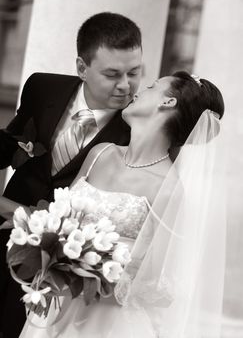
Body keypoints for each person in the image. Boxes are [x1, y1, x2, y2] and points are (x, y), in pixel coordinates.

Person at [1, 71, 226, 337]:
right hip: (56, 308)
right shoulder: (101, 153)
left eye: (153, 86)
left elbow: (156, 283)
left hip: (105, 323)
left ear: (167, 102)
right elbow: (59, 221)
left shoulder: (168, 188)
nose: (139, 90)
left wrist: (85, 273)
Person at [0, 12, 143, 338]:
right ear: (82, 68)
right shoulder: (42, 87)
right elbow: (11, 145)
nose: (126, 85)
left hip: (56, 268)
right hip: (3, 235)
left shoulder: (135, 129)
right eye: (112, 74)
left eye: (134, 72)